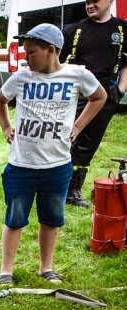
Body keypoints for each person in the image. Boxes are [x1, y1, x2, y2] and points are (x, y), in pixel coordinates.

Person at [0, 24, 106, 286]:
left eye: (31, 52)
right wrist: (6, 127)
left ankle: (46, 267)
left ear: (51, 50)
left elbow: (99, 96)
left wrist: (78, 126)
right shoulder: (22, 78)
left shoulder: (77, 75)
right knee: (15, 218)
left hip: (57, 165)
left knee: (51, 218)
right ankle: (6, 270)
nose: (26, 57)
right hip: (22, 164)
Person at [60, 0, 127, 207]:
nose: (90, 5)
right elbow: (58, 64)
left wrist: (120, 90)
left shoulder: (122, 29)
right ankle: (56, 187)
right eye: (88, 2)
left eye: (95, 1)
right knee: (66, 138)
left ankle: (73, 191)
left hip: (106, 93)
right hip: (76, 93)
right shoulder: (73, 30)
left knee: (89, 143)